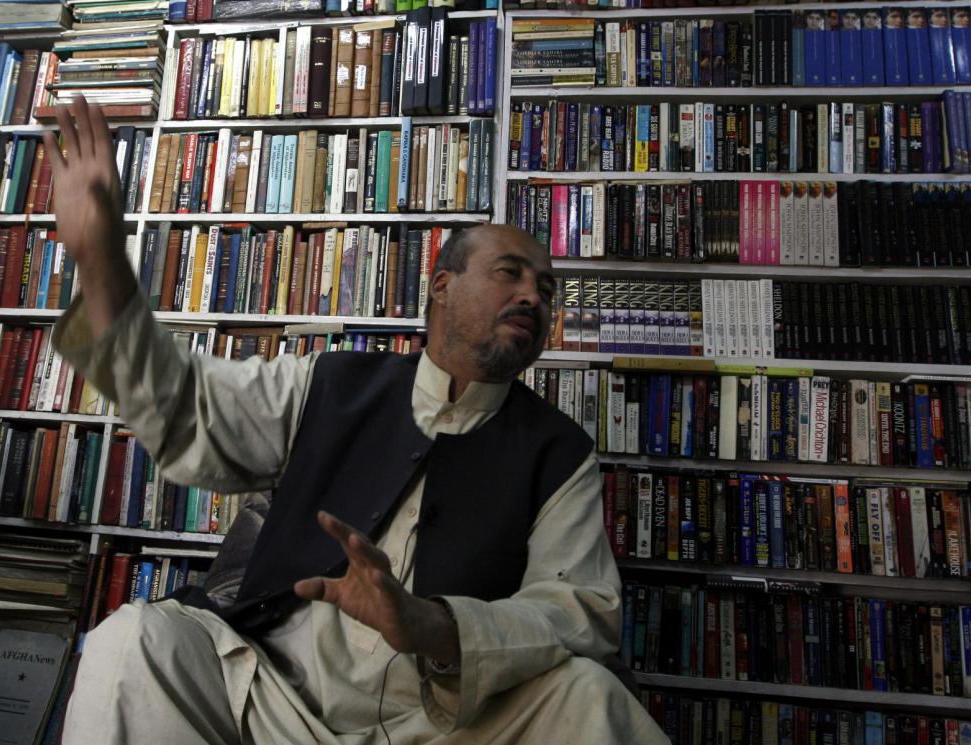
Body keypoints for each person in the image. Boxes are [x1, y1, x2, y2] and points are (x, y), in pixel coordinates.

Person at [44, 98, 669, 745]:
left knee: (589, 695)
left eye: (546, 289)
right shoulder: (330, 382)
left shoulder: (559, 451)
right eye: (510, 274)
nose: (533, 297)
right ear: (442, 285)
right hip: (273, 698)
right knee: (133, 639)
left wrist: (436, 625)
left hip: (443, 721)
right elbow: (184, 407)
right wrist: (99, 260)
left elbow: (580, 612)